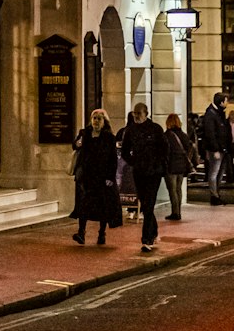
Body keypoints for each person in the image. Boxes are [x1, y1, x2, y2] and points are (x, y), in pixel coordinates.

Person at [120, 101, 168, 253]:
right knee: (145, 205)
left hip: (153, 173)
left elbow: (164, 149)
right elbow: (125, 150)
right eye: (134, 113)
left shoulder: (155, 129)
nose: (136, 116)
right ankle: (153, 231)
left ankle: (146, 239)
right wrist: (133, 162)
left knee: (149, 204)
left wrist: (158, 165)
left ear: (146, 113)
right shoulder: (131, 130)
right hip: (139, 171)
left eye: (139, 113)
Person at [71, 108, 117, 245]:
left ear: (104, 121)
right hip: (87, 176)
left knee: (102, 206)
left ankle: (102, 233)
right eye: (94, 118)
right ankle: (81, 232)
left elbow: (113, 159)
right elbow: (75, 145)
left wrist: (110, 177)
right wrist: (77, 144)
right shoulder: (84, 133)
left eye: (99, 118)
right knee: (83, 204)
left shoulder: (109, 137)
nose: (96, 121)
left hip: (102, 177)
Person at [164, 113, 197, 222]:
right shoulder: (183, 135)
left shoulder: (167, 135)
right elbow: (188, 149)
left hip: (171, 166)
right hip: (182, 166)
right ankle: (178, 211)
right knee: (178, 189)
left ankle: (175, 212)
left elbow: (165, 152)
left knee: (172, 190)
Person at [202, 91, 230, 205]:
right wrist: (215, 149)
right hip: (217, 149)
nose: (227, 103)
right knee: (214, 173)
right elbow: (210, 133)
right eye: (226, 101)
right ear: (221, 102)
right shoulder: (211, 114)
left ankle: (216, 194)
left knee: (219, 173)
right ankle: (214, 195)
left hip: (221, 148)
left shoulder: (217, 113)